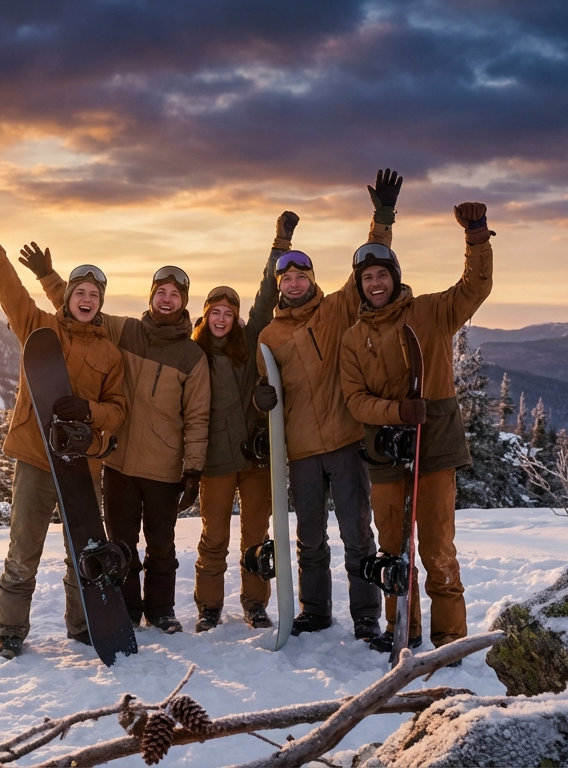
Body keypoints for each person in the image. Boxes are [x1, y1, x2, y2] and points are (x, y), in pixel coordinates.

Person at [0, 188, 128, 660]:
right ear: (68, 298)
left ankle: (82, 623)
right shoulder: (38, 328)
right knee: (23, 551)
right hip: (36, 457)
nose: (87, 300)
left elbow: (118, 410)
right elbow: (8, 289)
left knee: (82, 554)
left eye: (95, 295)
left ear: (100, 302)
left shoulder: (109, 352)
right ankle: (11, 630)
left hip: (83, 462)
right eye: (81, 293)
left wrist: (89, 415)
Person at [21, 246, 209, 633]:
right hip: (120, 464)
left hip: (163, 467)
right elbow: (79, 308)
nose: (167, 299)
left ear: (183, 302)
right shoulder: (126, 331)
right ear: (152, 297)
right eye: (161, 292)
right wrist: (48, 277)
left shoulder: (192, 356)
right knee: (121, 544)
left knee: (161, 547)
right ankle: (125, 607)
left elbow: (197, 417)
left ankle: (161, 610)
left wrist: (193, 470)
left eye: (175, 294)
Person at [339, 202, 494, 654]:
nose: (375, 283)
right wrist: (395, 413)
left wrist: (477, 237)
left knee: (437, 548)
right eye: (367, 278)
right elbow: (355, 399)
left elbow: (475, 287)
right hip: (385, 452)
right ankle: (402, 628)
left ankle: (449, 639)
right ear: (360, 286)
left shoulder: (431, 313)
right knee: (393, 548)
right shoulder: (354, 337)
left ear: (395, 276)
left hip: (434, 444)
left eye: (381, 275)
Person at [253, 169, 402, 639]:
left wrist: (382, 217)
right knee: (309, 539)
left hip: (343, 440)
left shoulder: (336, 309)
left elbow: (369, 268)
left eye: (302, 275)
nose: (294, 282)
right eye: (287, 277)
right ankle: (315, 610)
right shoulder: (269, 335)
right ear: (280, 285)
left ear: (312, 279)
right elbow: (268, 396)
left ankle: (365, 615)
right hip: (300, 450)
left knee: (358, 535)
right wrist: (263, 400)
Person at [189, 212, 296, 632]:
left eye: (227, 312)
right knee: (213, 538)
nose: (221, 319)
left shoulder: (250, 340)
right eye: (214, 312)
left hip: (254, 458)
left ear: (235, 317)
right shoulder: (193, 354)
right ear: (206, 315)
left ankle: (255, 603)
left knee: (256, 535)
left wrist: (280, 243)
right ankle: (209, 607)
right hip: (215, 462)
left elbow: (267, 292)